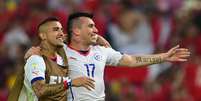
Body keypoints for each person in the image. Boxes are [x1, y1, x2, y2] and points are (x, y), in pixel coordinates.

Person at [26, 12, 190, 101]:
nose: (96, 30)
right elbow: (40, 53)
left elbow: (132, 61)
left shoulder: (101, 52)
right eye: (91, 26)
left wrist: (164, 57)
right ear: (76, 31)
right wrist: (33, 53)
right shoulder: (63, 53)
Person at [8, 17, 95, 101]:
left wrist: (99, 39)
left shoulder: (62, 59)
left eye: (61, 29)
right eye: (55, 29)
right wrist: (70, 83)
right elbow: (40, 90)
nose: (61, 33)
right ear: (43, 35)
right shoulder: (36, 59)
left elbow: (79, 38)